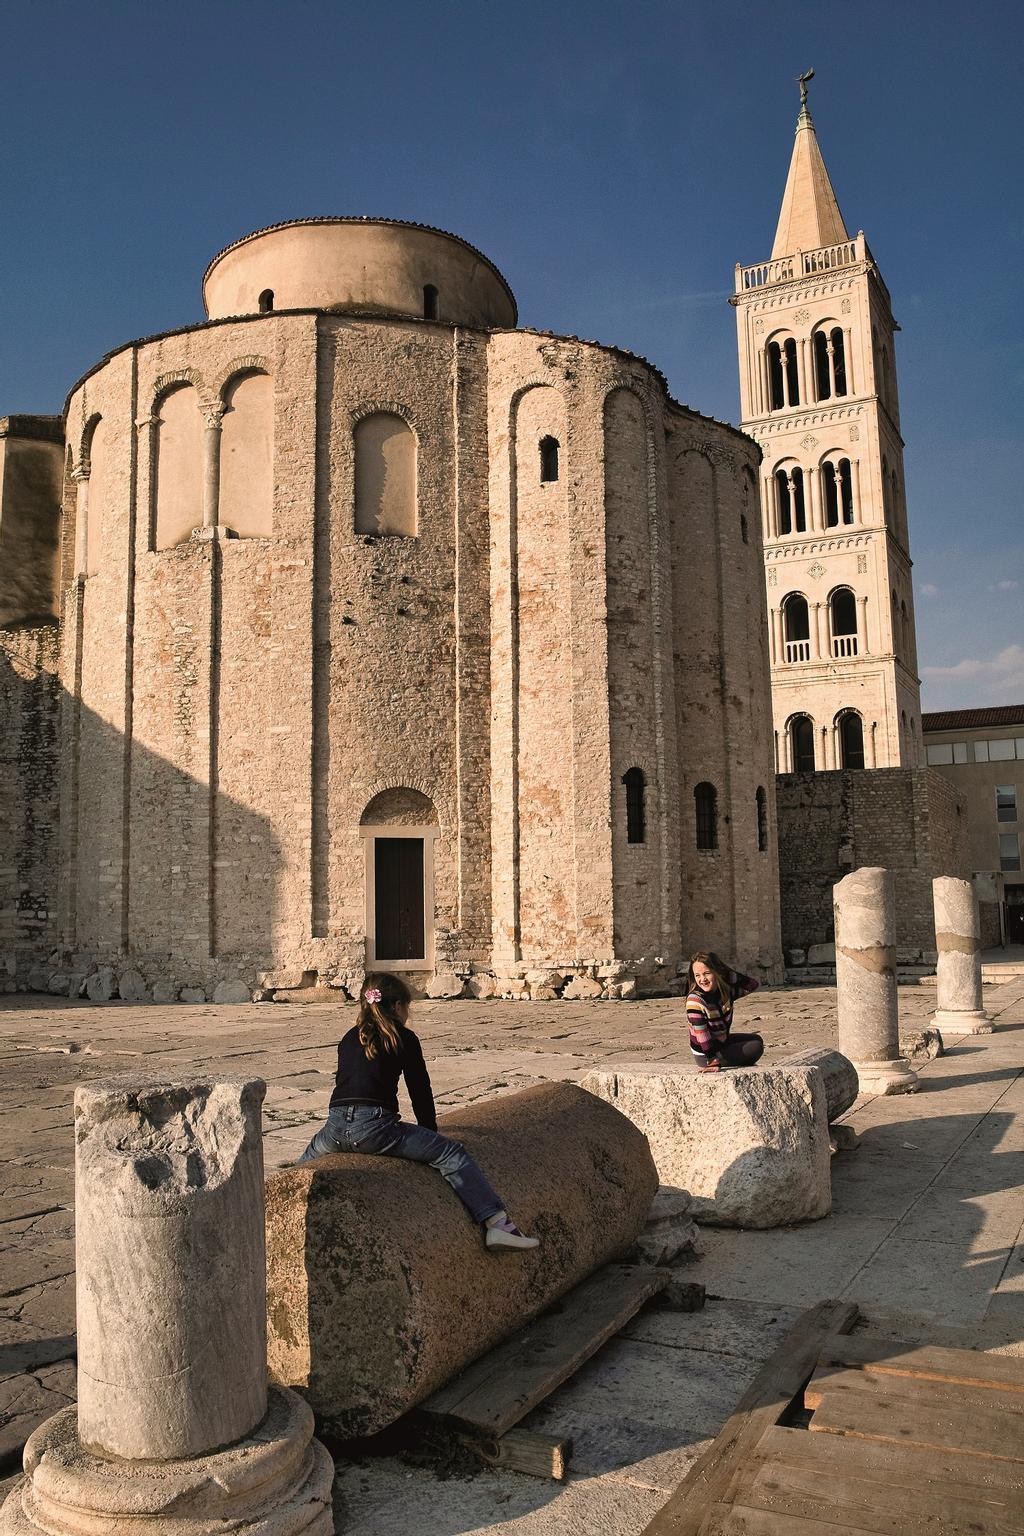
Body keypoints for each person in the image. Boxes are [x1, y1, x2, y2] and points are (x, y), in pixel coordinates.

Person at [298, 971, 539, 1250]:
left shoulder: (350, 1038)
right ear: (399, 1007)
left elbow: (345, 1084)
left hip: (335, 1128)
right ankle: (498, 1223)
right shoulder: (405, 1038)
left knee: (304, 1161)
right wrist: (429, 1132)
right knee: (451, 1153)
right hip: (376, 1128)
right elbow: (419, 1091)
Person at [685, 951, 764, 1073]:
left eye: (707, 973)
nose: (702, 979)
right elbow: (702, 1034)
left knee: (757, 1039)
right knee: (755, 1047)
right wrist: (711, 1060)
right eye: (697, 975)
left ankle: (735, 1059)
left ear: (717, 972)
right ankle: (723, 1060)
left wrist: (726, 973)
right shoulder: (695, 1000)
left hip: (721, 1042)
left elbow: (752, 985)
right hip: (706, 1054)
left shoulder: (725, 993)